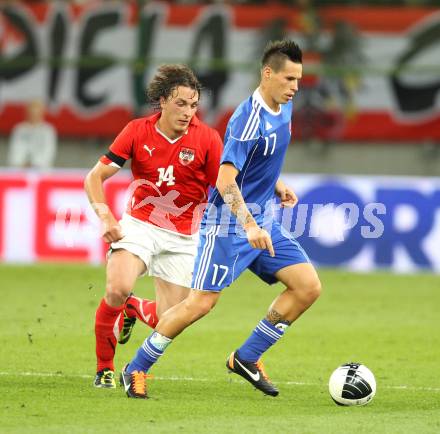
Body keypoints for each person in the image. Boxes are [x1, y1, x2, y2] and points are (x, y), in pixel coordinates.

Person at [121, 40, 322, 399]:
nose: (295, 87)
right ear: (267, 73)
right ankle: (136, 367)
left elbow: (255, 164)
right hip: (229, 225)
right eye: (289, 78)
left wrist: (276, 183)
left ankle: (246, 358)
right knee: (199, 304)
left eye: (298, 79)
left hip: (262, 218)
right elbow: (224, 179)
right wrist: (248, 225)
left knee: (307, 287)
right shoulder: (248, 119)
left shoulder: (283, 107)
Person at [84, 64, 223, 389]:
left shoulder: (207, 138)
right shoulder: (136, 131)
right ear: (162, 101)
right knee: (116, 289)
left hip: (184, 235)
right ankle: (104, 367)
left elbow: (228, 182)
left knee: (168, 320)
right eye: (181, 104)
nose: (188, 112)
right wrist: (106, 216)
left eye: (193, 105)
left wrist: (272, 186)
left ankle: (133, 307)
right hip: (140, 226)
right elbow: (95, 177)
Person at [7, 99, 57, 169]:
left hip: (41, 171)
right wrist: (21, 163)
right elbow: (14, 150)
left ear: (42, 113)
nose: (34, 115)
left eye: (37, 113)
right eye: (32, 112)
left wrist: (34, 164)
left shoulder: (48, 130)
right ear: (27, 112)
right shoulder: (19, 129)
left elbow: (49, 152)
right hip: (20, 169)